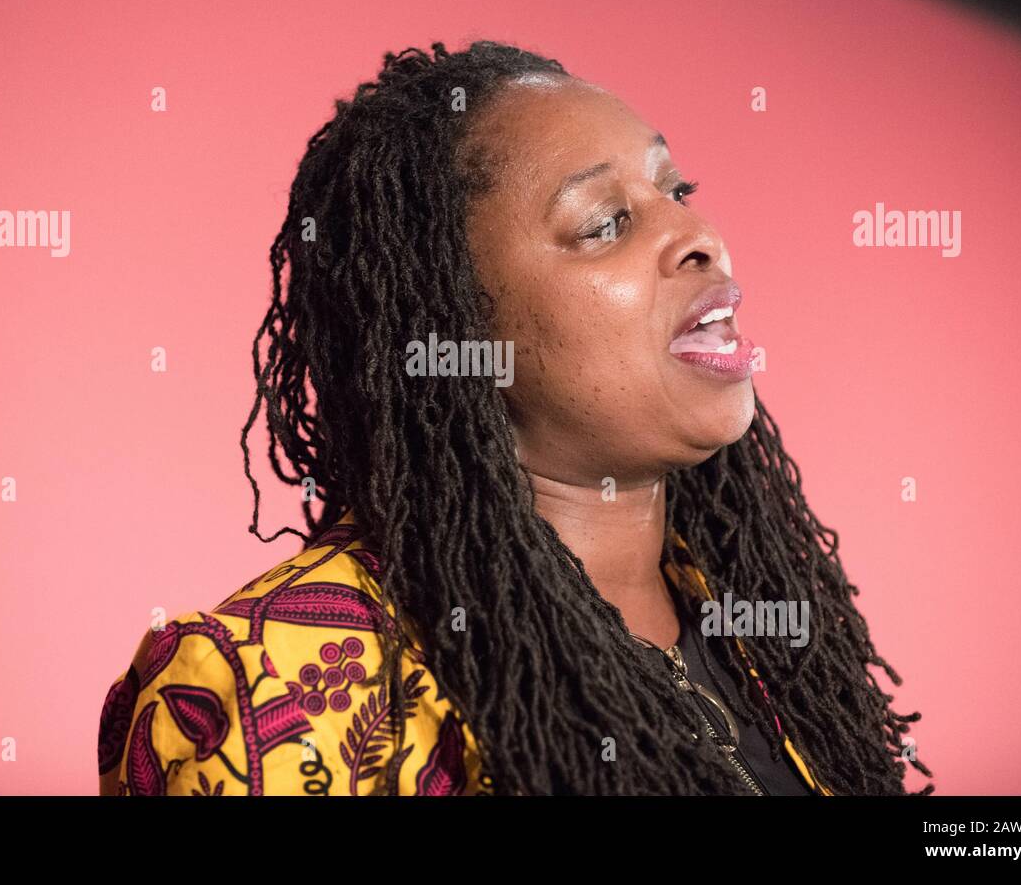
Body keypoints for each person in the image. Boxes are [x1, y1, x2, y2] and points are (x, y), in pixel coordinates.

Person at [98, 40, 934, 796]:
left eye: (676, 188)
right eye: (606, 223)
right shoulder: (263, 682)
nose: (698, 234)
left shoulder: (762, 630)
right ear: (454, 327)